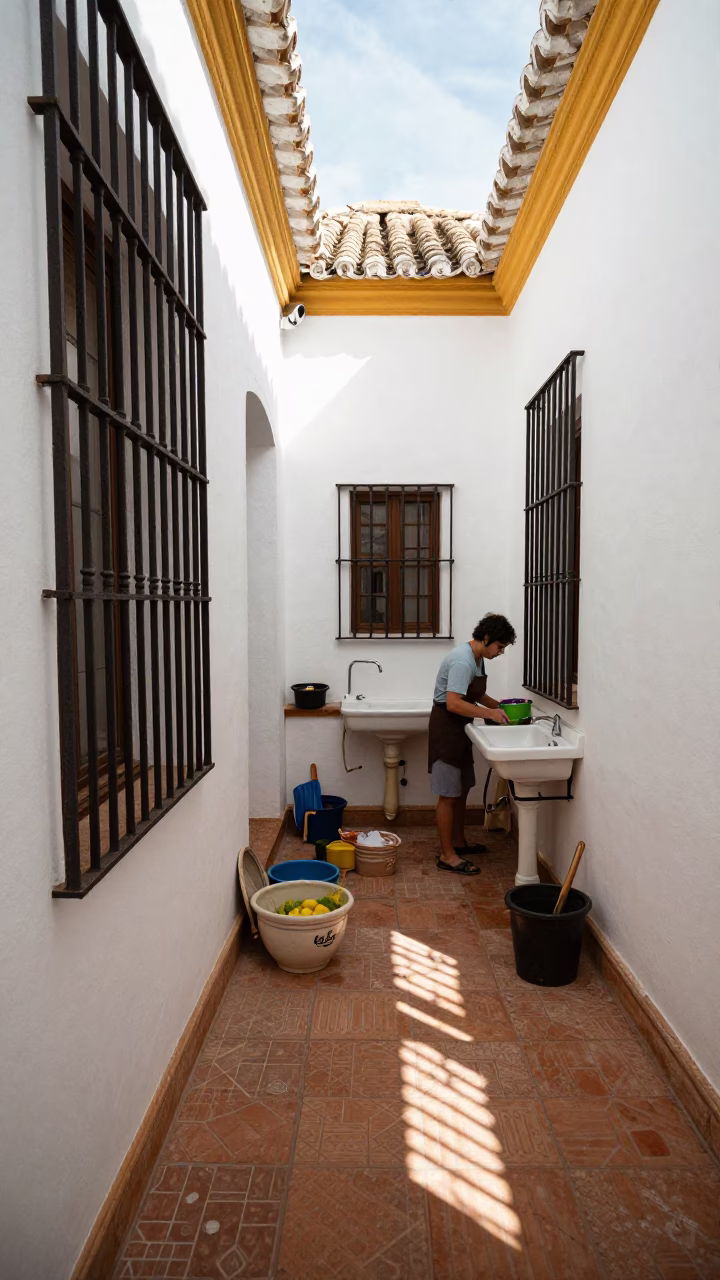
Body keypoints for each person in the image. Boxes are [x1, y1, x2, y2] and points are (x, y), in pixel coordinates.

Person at [428, 613, 516, 874]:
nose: (500, 653)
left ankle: (458, 843)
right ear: (486, 638)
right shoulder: (462, 661)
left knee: (462, 788)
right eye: (500, 647)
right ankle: (447, 855)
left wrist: (501, 708)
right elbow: (454, 702)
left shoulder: (477, 659)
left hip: (461, 727)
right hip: (446, 728)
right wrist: (490, 714)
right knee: (448, 794)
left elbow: (476, 694)